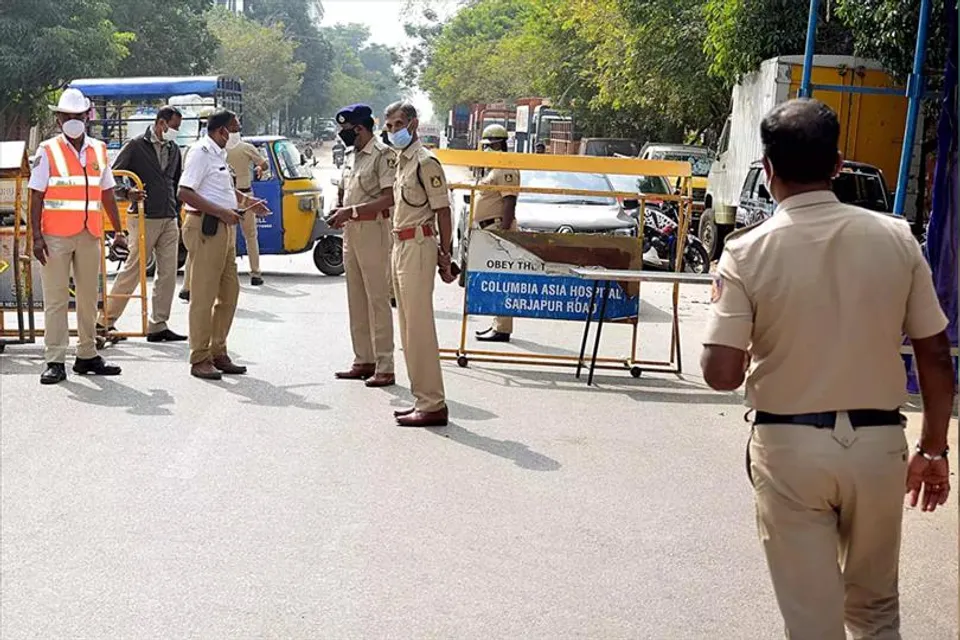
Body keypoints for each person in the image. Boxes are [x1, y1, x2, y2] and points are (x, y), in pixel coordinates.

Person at [700, 98, 955, 639]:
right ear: (838, 165)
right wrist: (933, 450)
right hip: (879, 447)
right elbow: (934, 355)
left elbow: (721, 372)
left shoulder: (746, 252)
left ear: (767, 170)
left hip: (790, 450)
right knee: (877, 611)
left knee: (813, 623)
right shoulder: (896, 239)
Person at [29, 88, 127, 384]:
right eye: (67, 116)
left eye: (78, 115)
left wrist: (118, 231)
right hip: (54, 236)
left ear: (87, 116)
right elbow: (36, 195)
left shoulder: (98, 149)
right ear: (59, 119)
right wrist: (36, 237)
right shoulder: (47, 150)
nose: (73, 120)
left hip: (89, 234)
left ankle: (86, 354)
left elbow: (107, 192)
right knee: (56, 299)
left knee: (88, 298)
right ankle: (55, 359)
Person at [177, 110, 269, 380]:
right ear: (222, 131)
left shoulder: (219, 154)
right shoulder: (200, 153)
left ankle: (218, 351)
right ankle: (199, 356)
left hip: (225, 229)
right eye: (235, 128)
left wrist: (246, 202)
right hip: (206, 227)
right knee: (203, 296)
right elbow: (185, 192)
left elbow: (222, 190)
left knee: (229, 293)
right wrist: (220, 212)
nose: (238, 133)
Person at [383, 101, 456, 427]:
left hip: (419, 244)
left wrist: (446, 255)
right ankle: (422, 399)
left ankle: (432, 402)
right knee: (408, 328)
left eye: (399, 124)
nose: (394, 130)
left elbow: (443, 210)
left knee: (419, 328)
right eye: (389, 126)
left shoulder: (426, 162)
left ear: (413, 124)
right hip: (400, 244)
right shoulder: (401, 162)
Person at [99, 105, 186, 342]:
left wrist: (176, 211)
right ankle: (104, 321)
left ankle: (158, 324)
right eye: (174, 126)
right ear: (161, 123)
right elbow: (111, 177)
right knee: (134, 270)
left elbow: (176, 181)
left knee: (168, 273)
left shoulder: (174, 149)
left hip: (168, 216)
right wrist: (127, 193)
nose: (176, 131)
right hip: (143, 216)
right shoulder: (136, 146)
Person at [326, 104, 396, 388]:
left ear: (359, 128)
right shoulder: (351, 155)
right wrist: (338, 208)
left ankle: (385, 364)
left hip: (374, 231)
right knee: (356, 298)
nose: (342, 135)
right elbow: (345, 191)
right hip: (351, 233)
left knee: (377, 299)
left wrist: (351, 212)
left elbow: (389, 198)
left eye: (345, 130)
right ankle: (363, 359)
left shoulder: (383, 156)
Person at [471, 124, 520, 343]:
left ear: (499, 144)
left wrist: (504, 233)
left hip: (498, 228)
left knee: (501, 279)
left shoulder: (505, 168)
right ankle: (497, 324)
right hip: (488, 229)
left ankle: (502, 328)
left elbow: (509, 200)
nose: (487, 150)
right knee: (494, 278)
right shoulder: (494, 168)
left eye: (490, 146)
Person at [226, 132, 269, 286]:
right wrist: (258, 168)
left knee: (229, 238)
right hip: (246, 196)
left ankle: (228, 274)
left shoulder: (220, 149)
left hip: (227, 197)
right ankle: (255, 273)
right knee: (251, 236)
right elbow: (264, 165)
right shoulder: (246, 148)